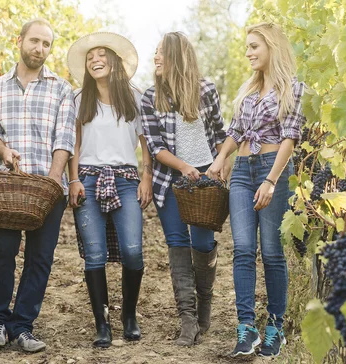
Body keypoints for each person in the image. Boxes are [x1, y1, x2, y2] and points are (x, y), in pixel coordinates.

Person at [206, 22, 305, 358]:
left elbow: (289, 138)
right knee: (244, 249)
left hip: (271, 171)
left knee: (272, 252)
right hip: (242, 173)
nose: (248, 53)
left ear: (271, 48)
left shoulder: (293, 88)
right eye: (247, 47)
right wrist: (220, 159)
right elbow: (235, 131)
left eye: (253, 47)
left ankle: (276, 327)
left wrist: (272, 180)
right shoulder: (248, 91)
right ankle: (246, 329)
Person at [0, 18, 75, 353]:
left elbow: (64, 138)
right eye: (35, 41)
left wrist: (52, 181)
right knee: (2, 251)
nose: (40, 49)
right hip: (7, 186)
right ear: (19, 40)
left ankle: (23, 326)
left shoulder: (61, 88)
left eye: (47, 44)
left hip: (47, 188)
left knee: (40, 258)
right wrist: (3, 151)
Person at [66, 32, 153, 348]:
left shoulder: (136, 97)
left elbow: (146, 145)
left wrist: (146, 178)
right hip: (87, 179)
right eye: (90, 57)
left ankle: (128, 315)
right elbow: (73, 144)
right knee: (95, 253)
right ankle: (102, 324)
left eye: (102, 54)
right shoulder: (78, 99)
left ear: (115, 61)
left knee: (133, 250)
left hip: (127, 180)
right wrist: (73, 179)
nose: (95, 60)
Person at [140, 32, 226, 346]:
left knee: (203, 245)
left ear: (178, 55)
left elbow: (220, 134)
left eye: (162, 52)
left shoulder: (206, 89)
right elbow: (155, 146)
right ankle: (188, 320)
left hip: (205, 181)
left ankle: (205, 303)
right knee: (177, 244)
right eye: (156, 53)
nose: (156, 58)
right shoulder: (150, 97)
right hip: (172, 180)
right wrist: (183, 167)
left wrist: (221, 167)